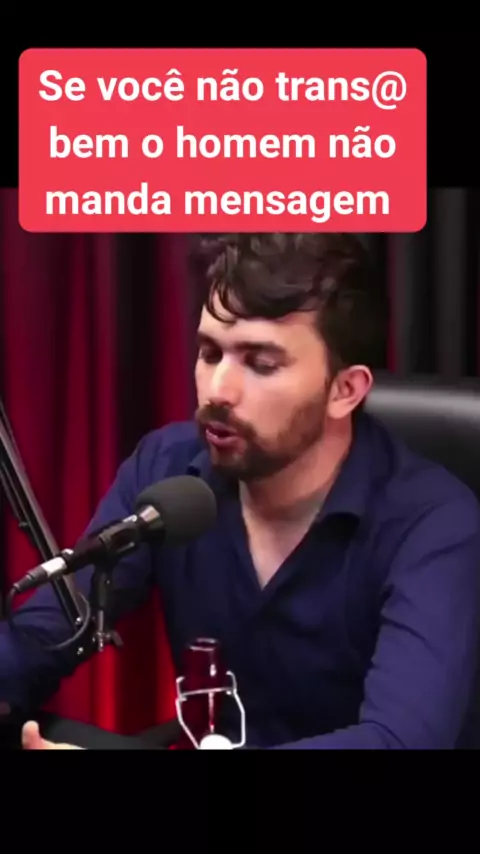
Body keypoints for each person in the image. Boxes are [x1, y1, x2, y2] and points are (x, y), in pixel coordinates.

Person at [2, 232, 480, 750]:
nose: (218, 391)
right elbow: (52, 630)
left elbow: (399, 740)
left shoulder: (435, 524)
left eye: (261, 364)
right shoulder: (167, 469)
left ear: (345, 391)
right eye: (210, 353)